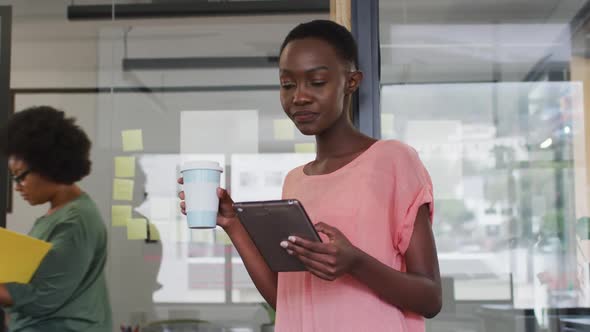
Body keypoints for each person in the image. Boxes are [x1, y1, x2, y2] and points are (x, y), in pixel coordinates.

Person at [179, 20, 441, 331]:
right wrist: (233, 224)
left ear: (352, 82)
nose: (299, 97)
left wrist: (355, 262)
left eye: (316, 82)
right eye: (288, 84)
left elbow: (431, 297)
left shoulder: (393, 161)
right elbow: (287, 300)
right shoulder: (295, 181)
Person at [0, 106, 112, 332]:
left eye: (21, 176)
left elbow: (42, 300)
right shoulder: (58, 214)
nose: (18, 187)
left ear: (49, 166)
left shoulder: (75, 221)